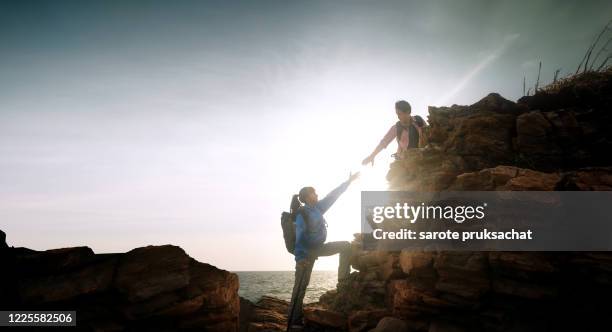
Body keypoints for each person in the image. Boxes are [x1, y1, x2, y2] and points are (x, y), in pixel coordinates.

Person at [287, 172, 360, 330]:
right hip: (305, 253)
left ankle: (343, 279)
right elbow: (299, 234)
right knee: (300, 286)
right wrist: (300, 257)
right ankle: (293, 322)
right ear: (307, 196)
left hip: (319, 248)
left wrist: (348, 181)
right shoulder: (302, 213)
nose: (317, 194)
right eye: (314, 193)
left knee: (346, 246)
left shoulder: (318, 208)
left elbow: (334, 195)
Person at [362, 100, 427, 166]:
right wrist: (372, 156)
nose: (398, 117)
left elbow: (429, 133)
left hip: (422, 156)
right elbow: (384, 142)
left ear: (408, 112)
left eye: (399, 114)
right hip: (404, 161)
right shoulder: (396, 128)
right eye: (397, 114)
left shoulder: (419, 120)